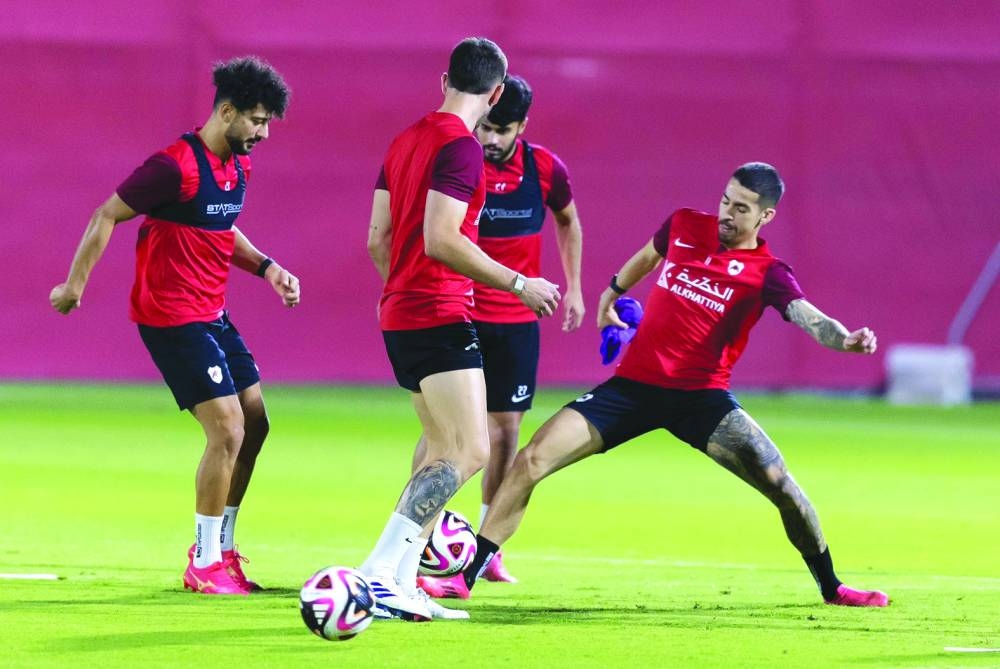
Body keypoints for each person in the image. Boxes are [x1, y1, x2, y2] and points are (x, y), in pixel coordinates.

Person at [421, 162, 890, 608]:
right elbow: (647, 257)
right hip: (632, 390)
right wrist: (610, 295)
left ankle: (832, 586)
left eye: (742, 208)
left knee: (781, 485)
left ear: (766, 216)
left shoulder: (768, 273)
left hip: (702, 400)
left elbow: (807, 317)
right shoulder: (685, 225)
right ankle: (466, 578)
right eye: (727, 200)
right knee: (532, 459)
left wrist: (845, 340)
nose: (728, 213)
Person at [49, 56, 298, 595]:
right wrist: (74, 286)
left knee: (256, 424)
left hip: (213, 314)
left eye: (268, 122)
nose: (263, 132)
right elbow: (105, 215)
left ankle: (223, 550)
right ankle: (203, 562)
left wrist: (269, 267)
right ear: (226, 110)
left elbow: (221, 227)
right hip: (171, 317)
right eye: (256, 119)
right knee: (227, 429)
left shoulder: (237, 165)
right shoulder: (174, 165)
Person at [363, 38, 561, 621]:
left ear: (443, 78)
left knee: (439, 451)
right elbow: (442, 238)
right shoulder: (460, 148)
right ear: (496, 92)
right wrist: (519, 283)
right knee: (472, 448)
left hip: (401, 311)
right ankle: (378, 571)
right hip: (439, 311)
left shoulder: (406, 140)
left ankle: (400, 581)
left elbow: (378, 237)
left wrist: (401, 287)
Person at [415, 75, 584, 586]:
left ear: (522, 127)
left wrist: (574, 286)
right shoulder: (460, 162)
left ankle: (485, 545)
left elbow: (569, 221)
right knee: (442, 432)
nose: (490, 139)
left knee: (505, 430)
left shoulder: (545, 169)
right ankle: (418, 535)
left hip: (515, 322)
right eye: (486, 126)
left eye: (502, 130)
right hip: (461, 311)